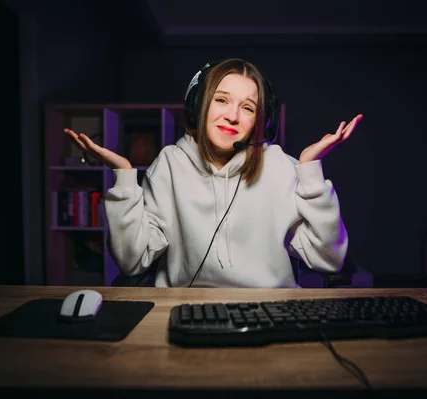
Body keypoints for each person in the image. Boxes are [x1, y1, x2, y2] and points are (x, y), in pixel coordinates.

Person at [64, 58, 362, 288]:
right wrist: (125, 176)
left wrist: (310, 171)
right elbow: (132, 261)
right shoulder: (170, 164)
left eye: (248, 107)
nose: (232, 115)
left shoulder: (280, 166)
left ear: (261, 120)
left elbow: (329, 259)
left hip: (272, 308)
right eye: (221, 100)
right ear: (199, 105)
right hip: (183, 311)